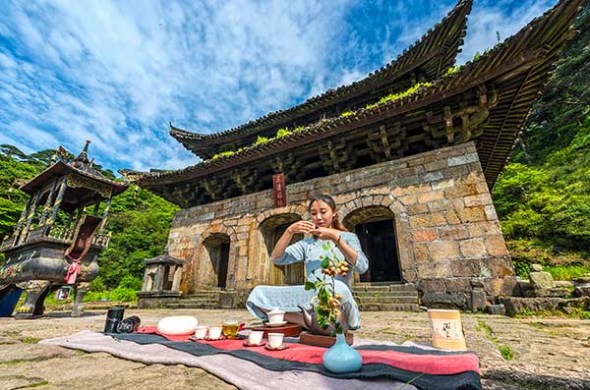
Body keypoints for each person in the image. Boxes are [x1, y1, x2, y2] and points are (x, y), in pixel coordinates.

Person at [246, 194, 369, 330]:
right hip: (312, 296)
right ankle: (310, 321)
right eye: (314, 213)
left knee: (334, 287)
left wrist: (335, 237)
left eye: (323, 212)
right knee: (258, 293)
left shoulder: (349, 238)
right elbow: (276, 258)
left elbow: (362, 267)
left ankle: (313, 320)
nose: (319, 217)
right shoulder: (307, 244)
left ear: (334, 213)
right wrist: (289, 231)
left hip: (338, 296)